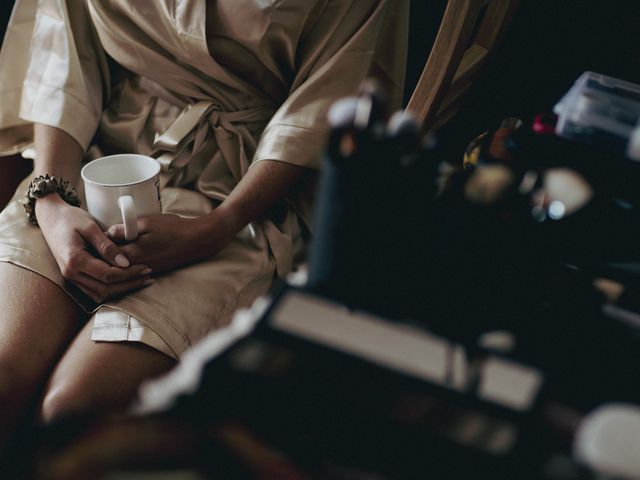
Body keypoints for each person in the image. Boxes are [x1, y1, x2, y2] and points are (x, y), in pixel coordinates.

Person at [0, 0, 409, 450]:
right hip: (93, 161)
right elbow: (61, 45)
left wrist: (218, 226)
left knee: (73, 414)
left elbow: (326, 99)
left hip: (245, 191)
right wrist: (53, 199)